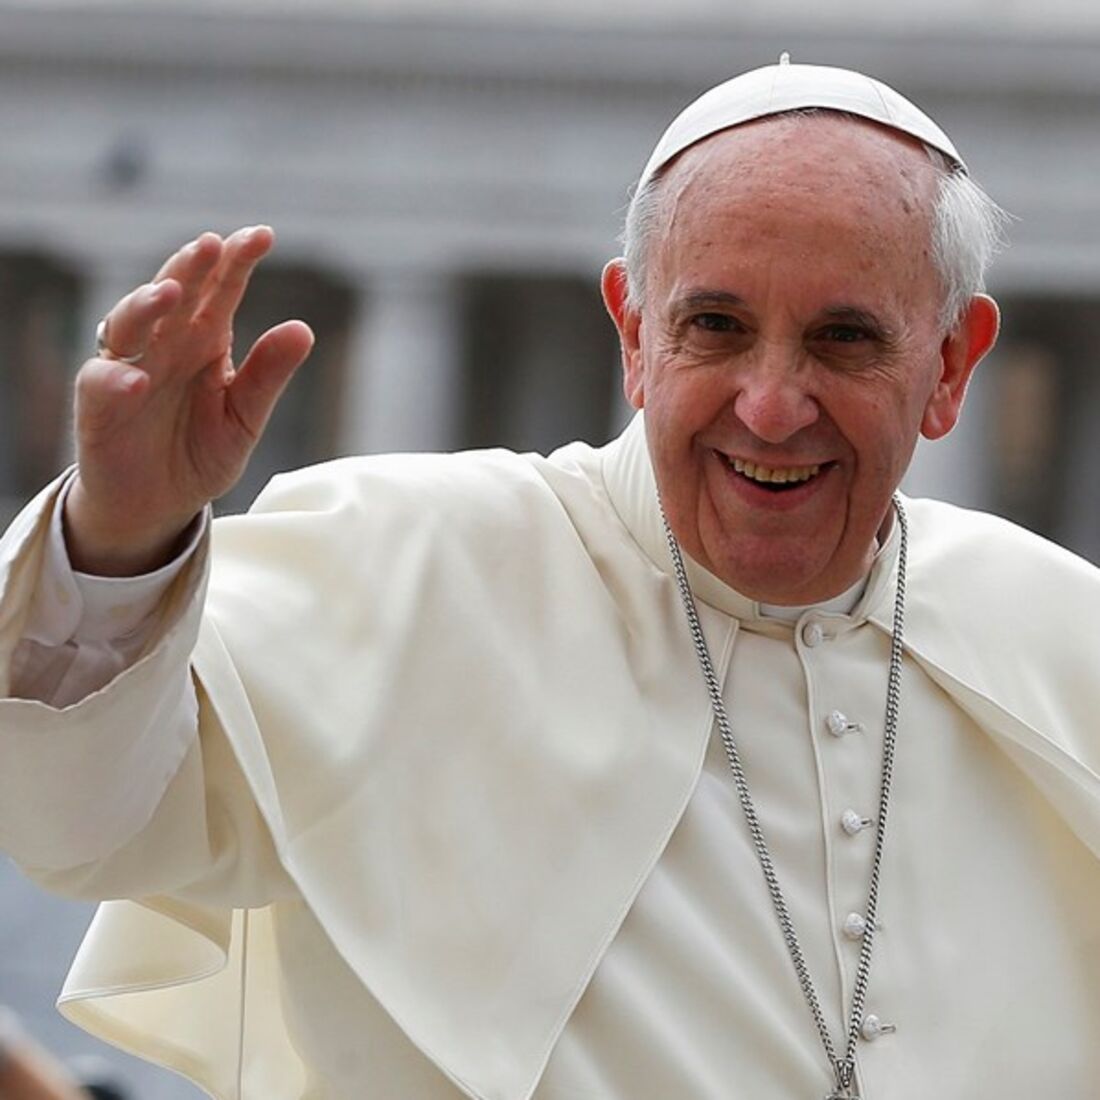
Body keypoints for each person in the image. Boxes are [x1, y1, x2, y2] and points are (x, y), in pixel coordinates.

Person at [1, 59, 1098, 1100]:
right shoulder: (408, 557)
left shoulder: (1056, 628)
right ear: (631, 331)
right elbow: (78, 818)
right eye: (713, 326)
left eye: (842, 339)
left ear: (950, 364)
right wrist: (122, 533)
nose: (770, 405)